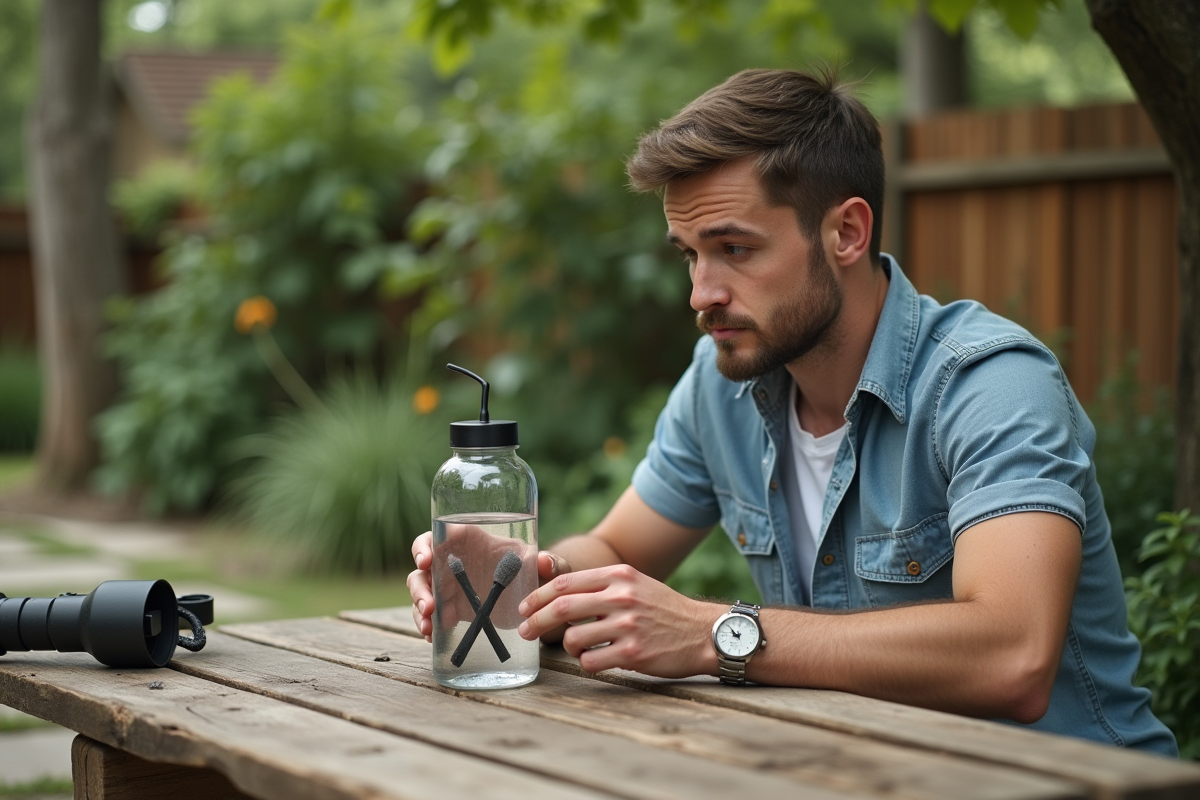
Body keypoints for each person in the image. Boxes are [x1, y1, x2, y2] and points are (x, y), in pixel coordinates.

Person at [407, 68, 1177, 755]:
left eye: (734, 250)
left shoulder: (988, 386)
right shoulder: (724, 383)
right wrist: (521, 581)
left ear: (845, 232)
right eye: (689, 254)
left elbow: (1014, 655)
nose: (700, 292)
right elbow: (615, 543)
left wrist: (715, 635)